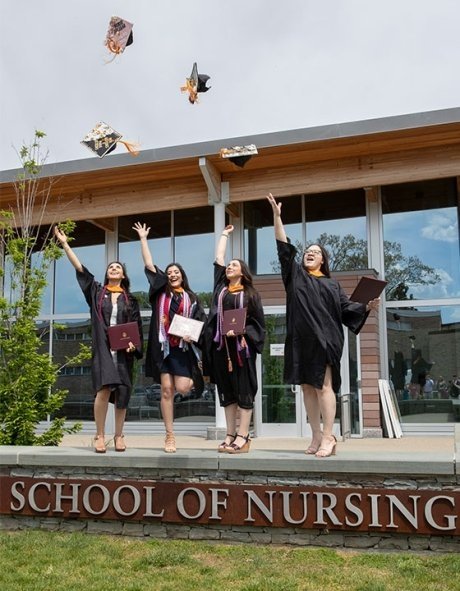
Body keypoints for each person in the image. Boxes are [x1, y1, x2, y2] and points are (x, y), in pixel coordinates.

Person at [267, 193, 379, 458]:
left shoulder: (332, 284)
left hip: (325, 340)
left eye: (315, 253)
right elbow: (284, 248)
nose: (309, 254)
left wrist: (366, 307)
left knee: (324, 387)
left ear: (323, 261)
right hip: (299, 340)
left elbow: (346, 309)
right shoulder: (294, 277)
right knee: (306, 387)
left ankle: (329, 435)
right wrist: (277, 216)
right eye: (307, 252)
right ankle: (316, 434)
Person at [54, 226, 143, 453]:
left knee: (122, 392)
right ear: (107, 274)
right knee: (103, 390)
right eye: (111, 267)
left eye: (118, 268)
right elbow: (81, 269)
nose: (114, 269)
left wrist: (134, 345)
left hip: (123, 352)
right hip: (104, 348)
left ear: (123, 275)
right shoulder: (96, 292)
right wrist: (65, 244)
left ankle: (119, 436)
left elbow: (135, 327)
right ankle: (100, 436)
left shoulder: (130, 300)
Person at [133, 222, 206, 453]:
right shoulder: (160, 294)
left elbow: (199, 325)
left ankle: (198, 379)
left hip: (183, 350)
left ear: (182, 277)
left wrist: (191, 334)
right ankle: (170, 435)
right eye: (170, 272)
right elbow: (148, 265)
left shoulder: (192, 299)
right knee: (166, 390)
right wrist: (143, 239)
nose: (173, 274)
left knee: (183, 388)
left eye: (177, 272)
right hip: (164, 347)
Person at [203, 225, 266, 454]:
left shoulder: (251, 295)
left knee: (244, 391)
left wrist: (243, 332)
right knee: (227, 393)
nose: (229, 267)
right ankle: (229, 434)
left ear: (243, 272)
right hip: (221, 348)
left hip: (242, 350)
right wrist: (224, 235)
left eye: (234, 265)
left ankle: (243, 435)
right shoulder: (221, 288)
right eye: (228, 266)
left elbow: (259, 323)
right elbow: (218, 257)